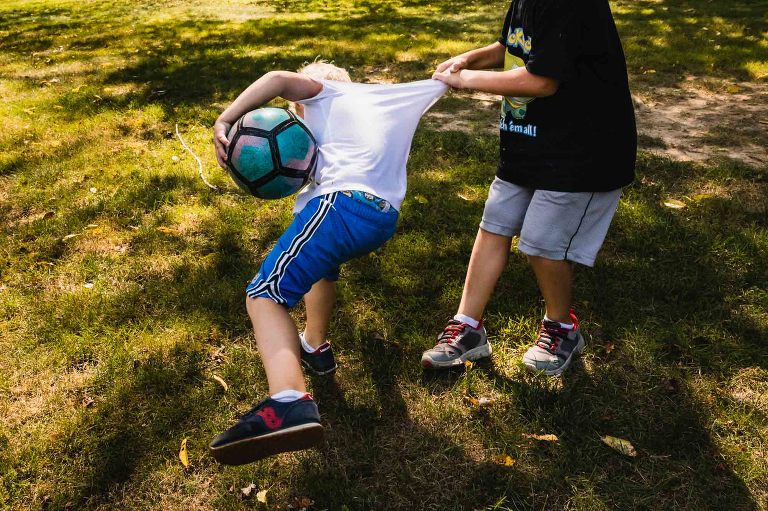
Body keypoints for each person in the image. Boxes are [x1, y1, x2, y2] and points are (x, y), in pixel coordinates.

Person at [209, 61, 448, 465]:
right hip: (380, 217)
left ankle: (287, 400)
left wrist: (225, 119)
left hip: (342, 204)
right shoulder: (381, 105)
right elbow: (446, 80)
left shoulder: (326, 94)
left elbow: (277, 79)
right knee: (319, 267)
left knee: (264, 294)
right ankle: (315, 346)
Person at [422, 0, 636, 375]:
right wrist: (467, 59)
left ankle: (562, 327)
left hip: (581, 151)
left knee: (541, 243)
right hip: (528, 143)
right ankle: (468, 328)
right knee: (494, 225)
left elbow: (541, 80)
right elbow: (511, 48)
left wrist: (465, 81)